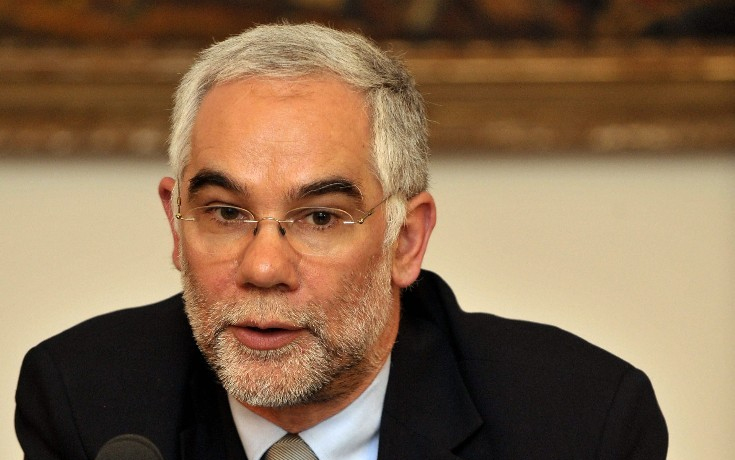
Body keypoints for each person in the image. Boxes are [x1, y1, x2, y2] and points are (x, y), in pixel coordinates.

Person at [15, 23, 667, 460]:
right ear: (175, 225)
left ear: (405, 241)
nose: (263, 266)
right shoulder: (86, 402)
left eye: (320, 218)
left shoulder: (579, 423)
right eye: (226, 213)